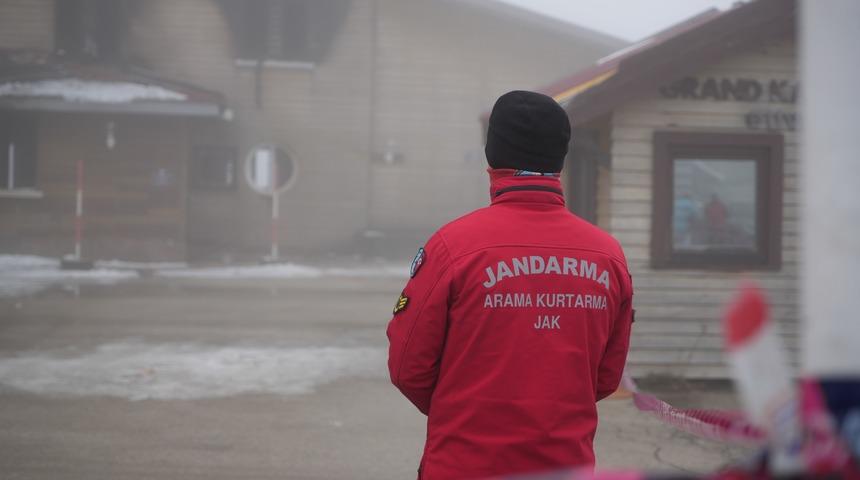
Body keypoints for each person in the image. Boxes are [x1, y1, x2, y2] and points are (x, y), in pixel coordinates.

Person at [386, 90, 634, 480]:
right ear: (560, 156)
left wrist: (464, 411)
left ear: (492, 154)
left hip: (464, 465)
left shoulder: (454, 247)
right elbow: (605, 377)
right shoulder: (607, 255)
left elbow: (408, 368)